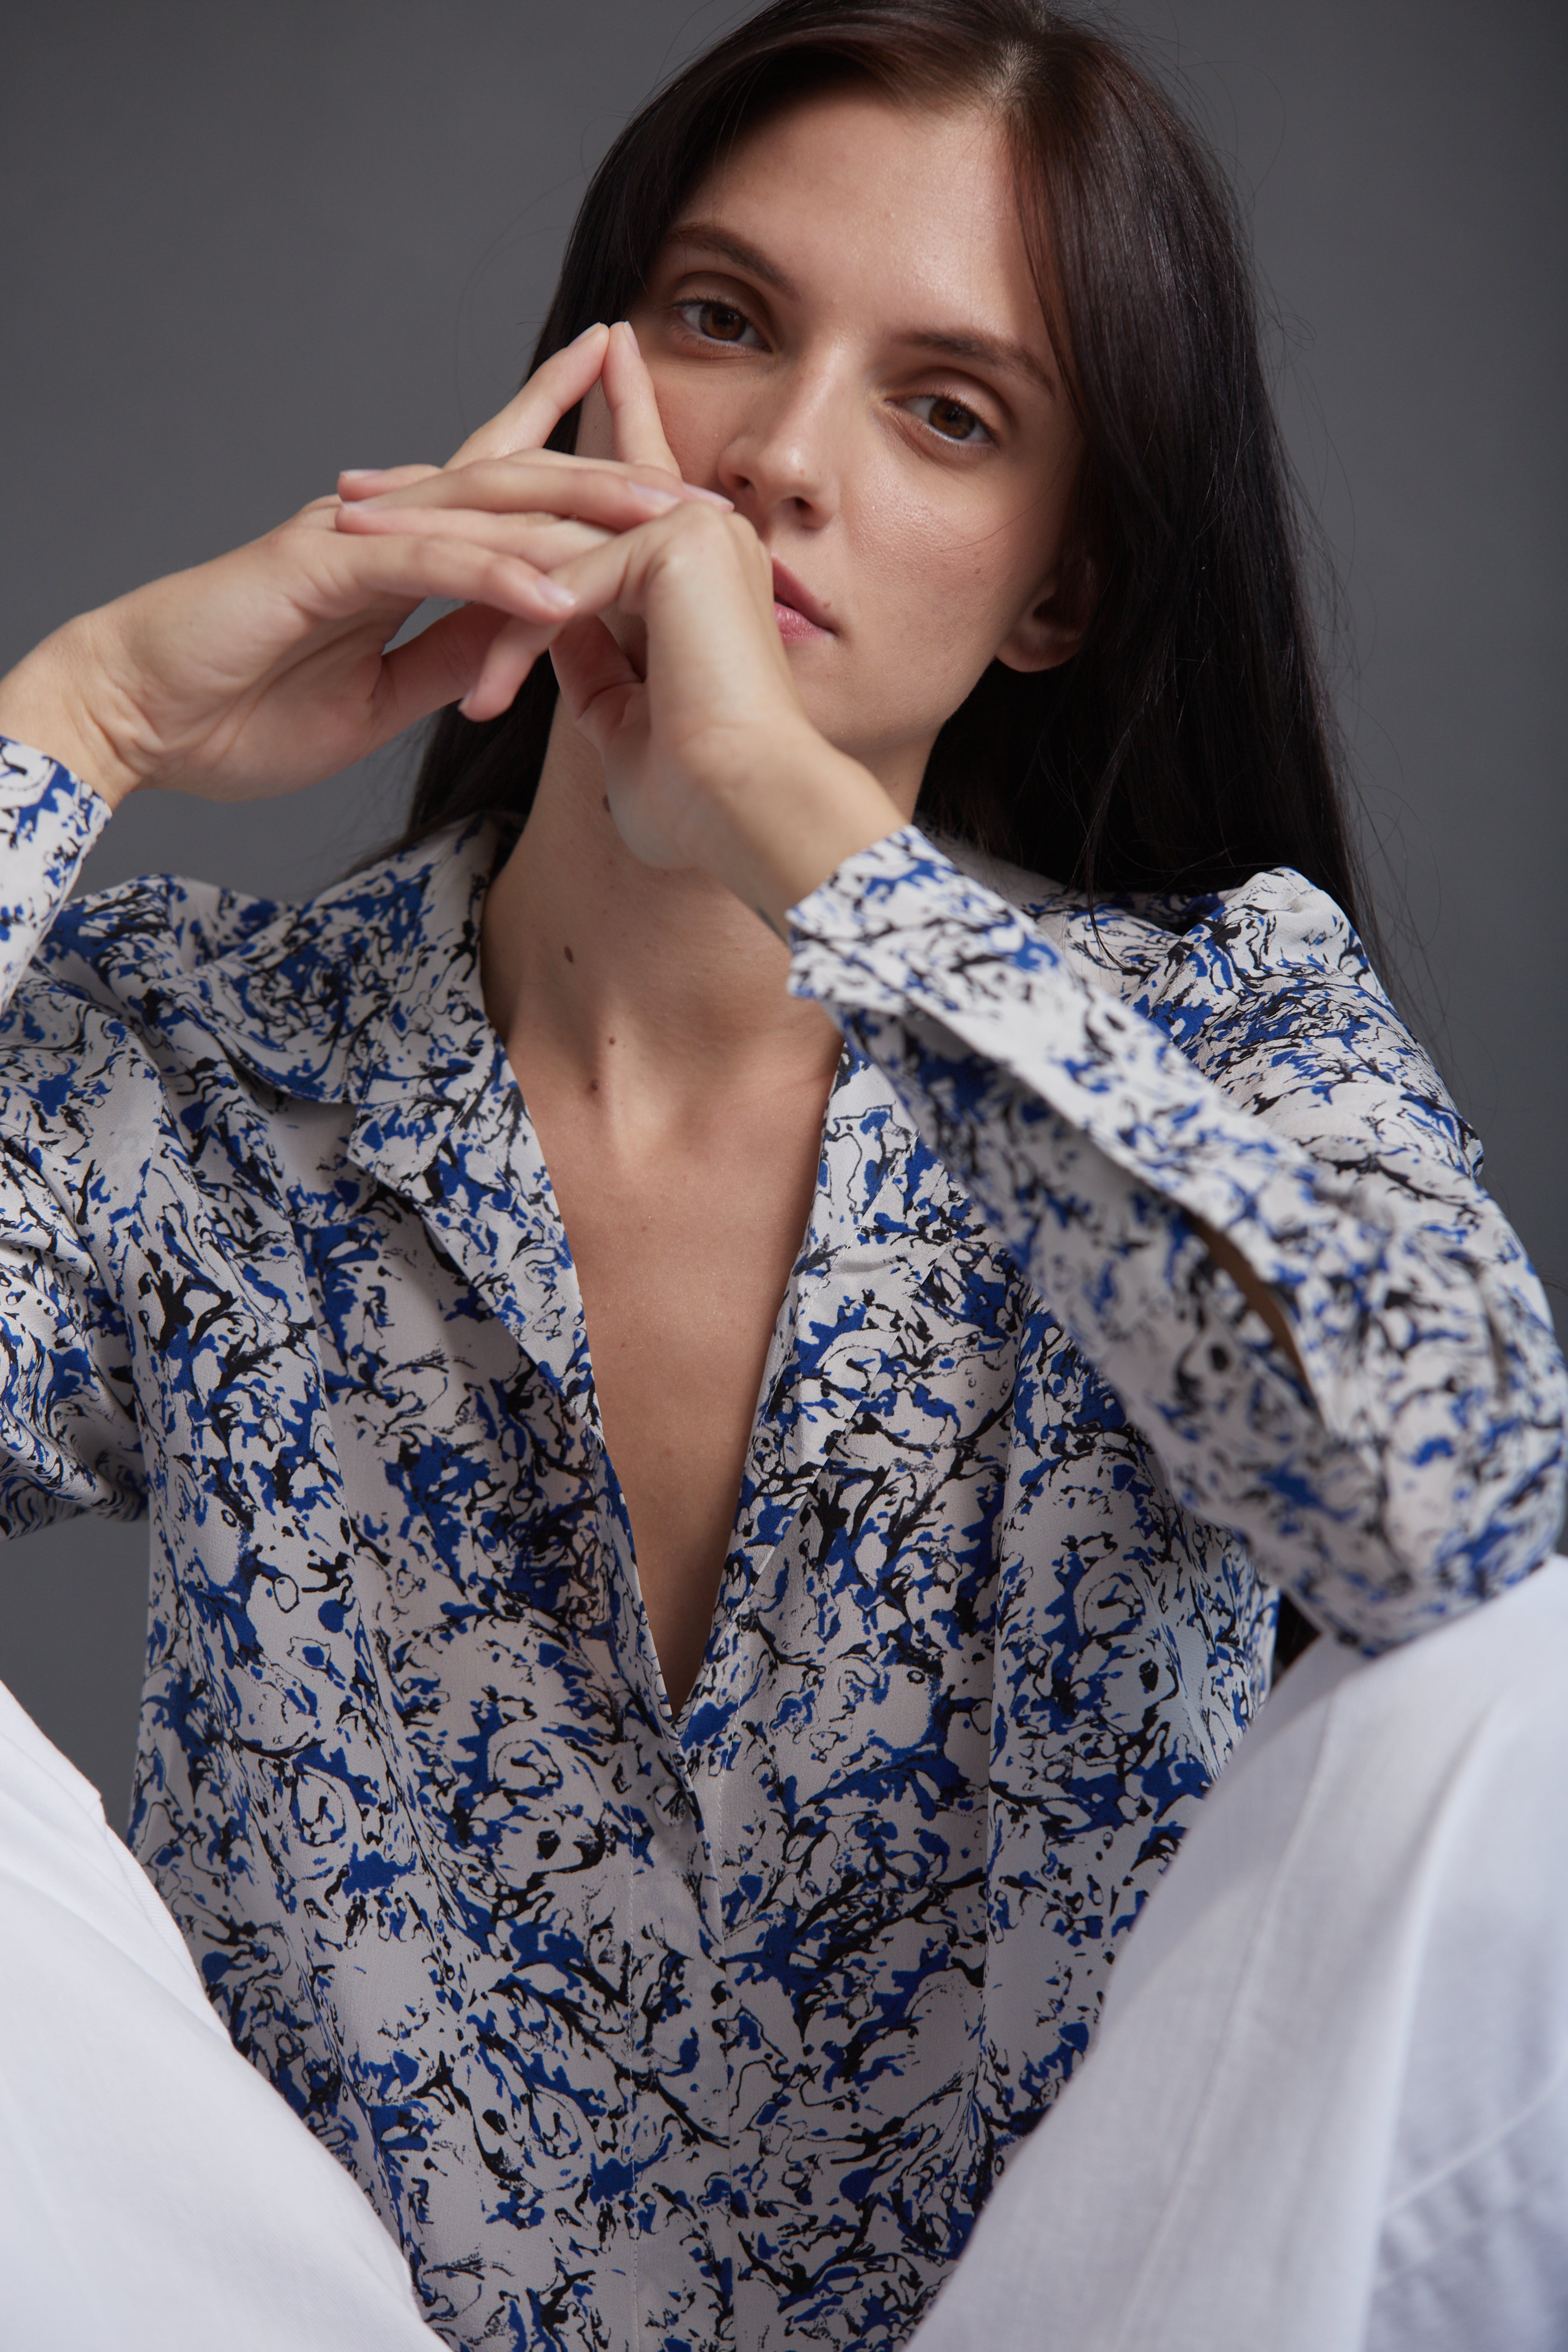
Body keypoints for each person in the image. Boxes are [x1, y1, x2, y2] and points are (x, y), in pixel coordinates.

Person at [0, 3, 1561, 2347]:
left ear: (1056, 590)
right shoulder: (202, 1067)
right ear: (576, 391)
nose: (777, 464)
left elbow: (1479, 1518)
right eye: (725, 323)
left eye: (950, 413)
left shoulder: (1215, 1024)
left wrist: (809, 839)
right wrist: (80, 719)